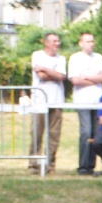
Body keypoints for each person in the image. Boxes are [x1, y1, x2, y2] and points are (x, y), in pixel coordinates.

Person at [68, 32, 102, 175]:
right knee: (86, 132)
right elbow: (75, 80)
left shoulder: (99, 58)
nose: (91, 44)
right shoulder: (75, 58)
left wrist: (86, 77)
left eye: (92, 41)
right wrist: (95, 78)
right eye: (87, 41)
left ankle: (92, 165)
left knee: (96, 134)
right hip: (82, 101)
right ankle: (83, 166)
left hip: (98, 102)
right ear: (81, 43)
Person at [28, 32, 66, 175]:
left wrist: (45, 69)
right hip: (39, 101)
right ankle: (33, 165)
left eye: (58, 41)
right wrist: (51, 73)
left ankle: (49, 165)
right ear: (46, 42)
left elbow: (61, 76)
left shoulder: (61, 59)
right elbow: (41, 76)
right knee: (36, 133)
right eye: (54, 41)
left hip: (56, 101)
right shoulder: (37, 55)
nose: (57, 44)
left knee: (54, 135)